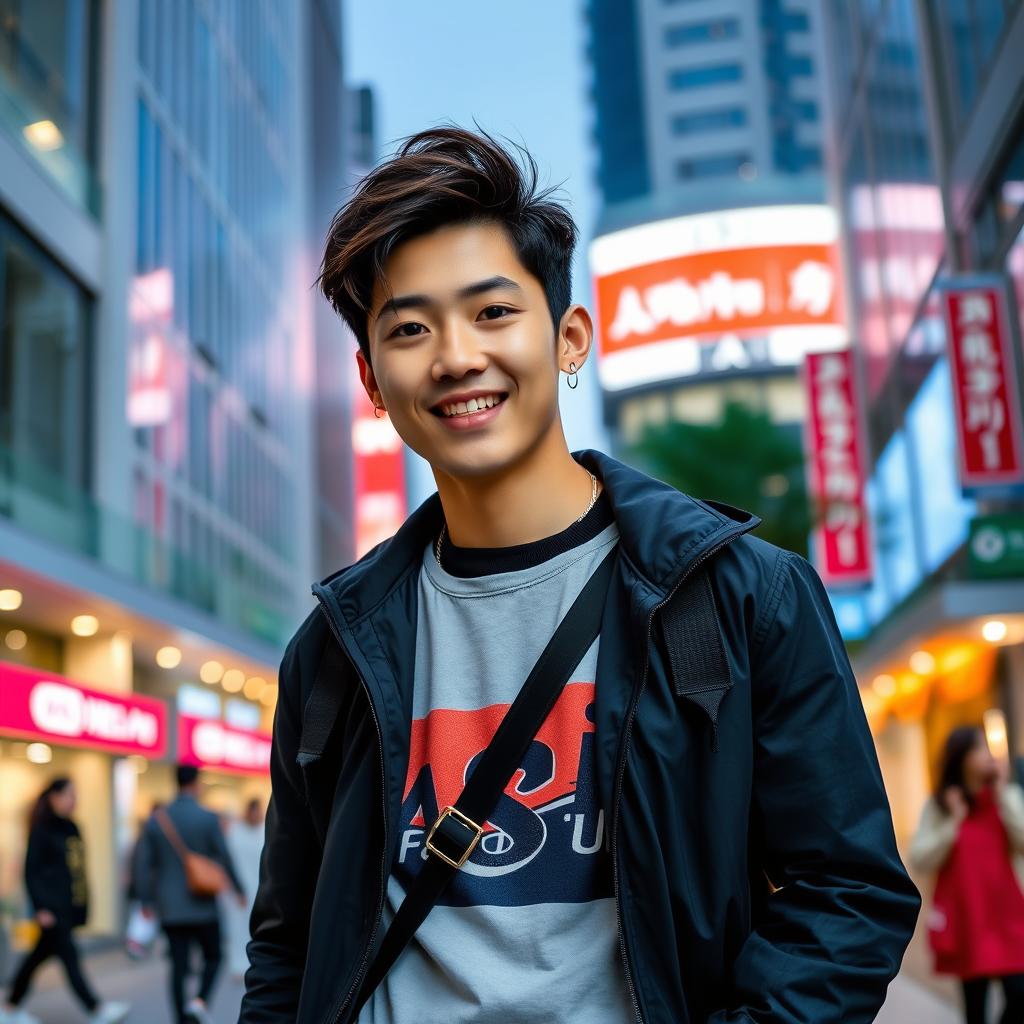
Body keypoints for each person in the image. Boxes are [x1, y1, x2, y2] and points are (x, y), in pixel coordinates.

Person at [240, 126, 920, 1024]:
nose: (454, 357)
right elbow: (288, 946)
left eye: (492, 312)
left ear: (569, 339)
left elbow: (850, 892)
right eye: (409, 329)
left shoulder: (741, 596)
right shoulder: (332, 649)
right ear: (372, 379)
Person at [910, 725, 1024, 1024]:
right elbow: (919, 858)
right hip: (969, 922)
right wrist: (954, 822)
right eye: (980, 748)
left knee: (1021, 997)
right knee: (975, 1011)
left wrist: (1003, 797)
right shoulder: (940, 806)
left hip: (1011, 920)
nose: (989, 755)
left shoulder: (1004, 795)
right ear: (961, 758)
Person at [0, 778, 129, 1024]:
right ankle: (96, 1008)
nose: (74, 800)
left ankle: (9, 1007)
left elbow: (78, 870)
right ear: (54, 797)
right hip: (52, 909)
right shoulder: (42, 829)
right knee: (69, 957)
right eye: (70, 794)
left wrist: (84, 905)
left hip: (70, 907)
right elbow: (31, 871)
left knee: (36, 958)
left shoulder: (72, 827)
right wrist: (41, 907)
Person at [136, 766, 245, 1024]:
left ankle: (180, 1018)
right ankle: (199, 1002)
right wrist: (238, 889)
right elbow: (225, 856)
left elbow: (143, 864)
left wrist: (145, 901)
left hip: (170, 907)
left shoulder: (157, 819)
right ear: (196, 783)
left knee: (178, 965)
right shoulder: (208, 818)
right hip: (204, 904)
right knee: (214, 956)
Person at [223, 798, 264, 978]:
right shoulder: (234, 832)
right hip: (238, 891)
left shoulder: (264, 830)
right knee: (237, 928)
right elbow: (228, 862)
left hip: (259, 888)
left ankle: (252, 962)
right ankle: (238, 964)